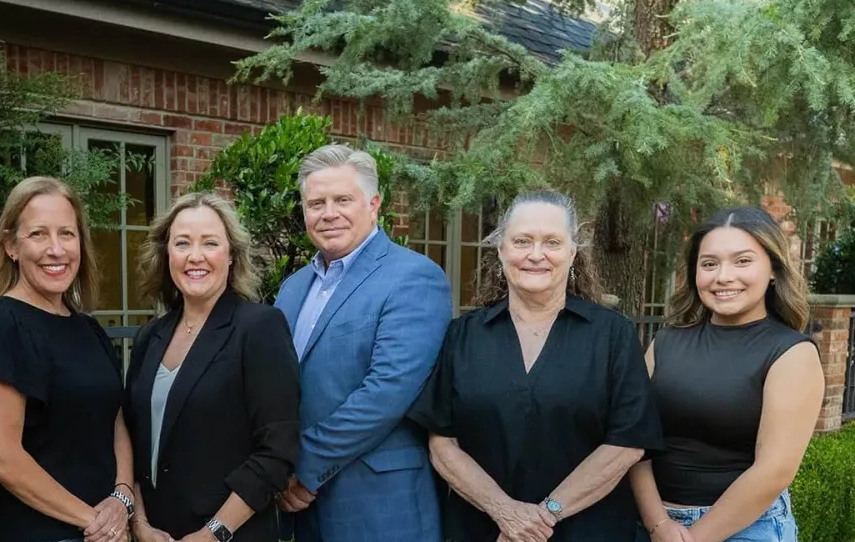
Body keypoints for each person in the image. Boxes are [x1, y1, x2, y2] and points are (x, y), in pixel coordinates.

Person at [407, 190, 663, 542]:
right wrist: (505, 512)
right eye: (522, 241)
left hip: (588, 531)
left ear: (572, 253)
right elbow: (443, 444)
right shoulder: (464, 335)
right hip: (484, 530)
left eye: (552, 242)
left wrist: (541, 518)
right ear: (501, 250)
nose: (536, 255)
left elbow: (626, 445)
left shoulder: (612, 335)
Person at [272, 144, 452, 542]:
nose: (328, 213)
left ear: (373, 204)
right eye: (315, 202)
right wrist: (273, 465)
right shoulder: (292, 289)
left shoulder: (413, 278)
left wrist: (301, 464)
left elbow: (386, 393)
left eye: (342, 200)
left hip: (380, 504)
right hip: (298, 508)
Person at [0, 177, 134, 542]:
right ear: (11, 246)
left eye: (67, 233)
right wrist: (96, 522)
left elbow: (116, 419)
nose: (56, 249)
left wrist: (121, 497)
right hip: (37, 533)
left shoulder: (88, 329)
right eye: (38, 235)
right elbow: (2, 459)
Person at [629, 206, 825, 542]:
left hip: (746, 529)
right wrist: (657, 523)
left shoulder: (791, 353)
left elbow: (773, 471)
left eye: (742, 261)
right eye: (709, 264)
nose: (723, 276)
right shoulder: (665, 342)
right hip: (651, 524)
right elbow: (633, 441)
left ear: (773, 269)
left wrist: (694, 538)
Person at [125, 192, 301, 542]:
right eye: (182, 243)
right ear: (167, 254)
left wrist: (213, 533)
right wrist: (140, 525)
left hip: (231, 534)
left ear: (231, 256)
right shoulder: (150, 336)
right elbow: (132, 439)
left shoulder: (259, 328)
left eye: (210, 243)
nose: (195, 256)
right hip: (157, 533)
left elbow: (277, 451)